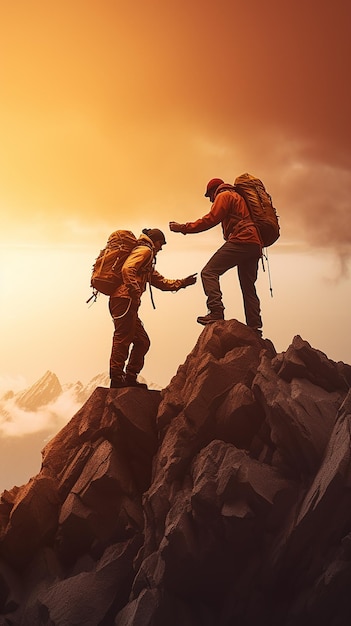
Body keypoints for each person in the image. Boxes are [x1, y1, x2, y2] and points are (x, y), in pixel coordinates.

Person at [169, 178, 263, 334]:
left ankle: (216, 311)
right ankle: (255, 327)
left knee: (209, 272)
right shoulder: (238, 197)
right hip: (254, 244)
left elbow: (210, 219)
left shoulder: (224, 195)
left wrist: (183, 228)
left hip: (242, 239)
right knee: (248, 288)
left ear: (214, 190)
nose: (211, 199)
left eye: (209, 196)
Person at [109, 227, 197, 388]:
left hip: (124, 301)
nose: (161, 248)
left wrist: (182, 283)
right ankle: (116, 378)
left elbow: (161, 282)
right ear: (155, 241)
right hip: (124, 300)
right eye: (161, 244)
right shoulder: (144, 251)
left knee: (142, 341)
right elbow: (127, 269)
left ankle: (129, 377)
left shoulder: (146, 258)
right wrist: (134, 290)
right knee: (123, 338)